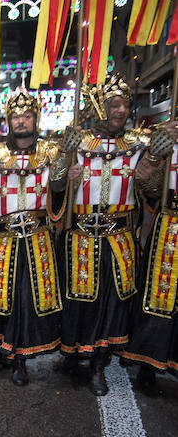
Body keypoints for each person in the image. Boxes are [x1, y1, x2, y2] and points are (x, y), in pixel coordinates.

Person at [58, 73, 167, 396]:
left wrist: (153, 167)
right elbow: (54, 187)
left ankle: (98, 362)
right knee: (79, 301)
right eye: (114, 104)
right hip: (79, 236)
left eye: (125, 104)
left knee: (111, 302)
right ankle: (75, 352)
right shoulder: (76, 142)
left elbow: (151, 192)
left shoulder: (139, 145)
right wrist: (67, 172)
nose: (121, 110)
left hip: (118, 239)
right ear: (99, 107)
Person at [0, 88, 69, 386]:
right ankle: (7, 349)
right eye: (16, 116)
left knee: (28, 300)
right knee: (3, 300)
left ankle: (19, 358)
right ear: (8, 120)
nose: (21, 121)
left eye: (26, 116)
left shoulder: (51, 151)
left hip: (38, 240)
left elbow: (60, 194)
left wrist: (65, 164)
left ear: (35, 118)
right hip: (4, 239)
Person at [120, 120, 178, 393]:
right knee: (158, 296)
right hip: (170, 224)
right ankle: (148, 362)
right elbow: (147, 186)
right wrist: (157, 154)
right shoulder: (167, 139)